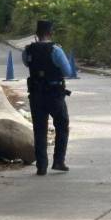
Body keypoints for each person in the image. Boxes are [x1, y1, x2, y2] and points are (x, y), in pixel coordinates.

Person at [23, 21, 72, 175]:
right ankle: (58, 161)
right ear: (51, 33)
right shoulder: (56, 50)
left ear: (36, 34)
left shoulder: (28, 50)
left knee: (39, 129)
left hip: (36, 95)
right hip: (54, 94)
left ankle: (41, 166)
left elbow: (27, 63)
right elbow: (68, 71)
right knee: (62, 125)